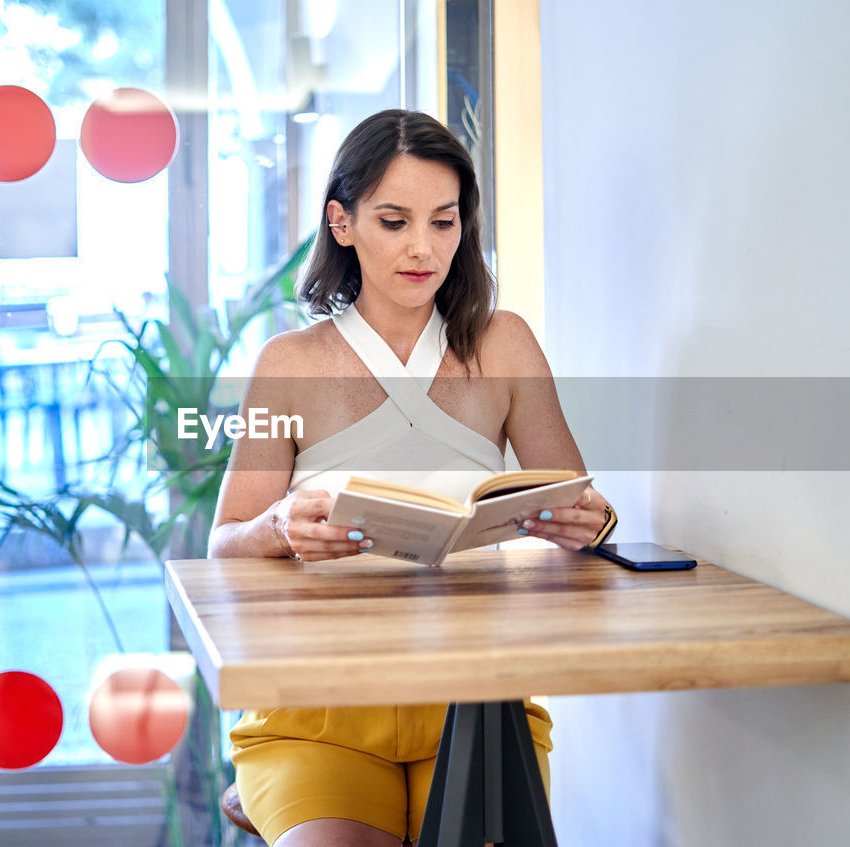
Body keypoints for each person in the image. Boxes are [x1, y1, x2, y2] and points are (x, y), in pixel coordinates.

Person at [208, 108, 616, 847]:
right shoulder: (288, 365)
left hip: (481, 698)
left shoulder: (505, 343)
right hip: (317, 713)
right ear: (342, 223)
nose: (423, 248)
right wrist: (279, 527)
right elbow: (223, 546)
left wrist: (588, 523)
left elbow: (578, 499)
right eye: (394, 221)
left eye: (444, 221)